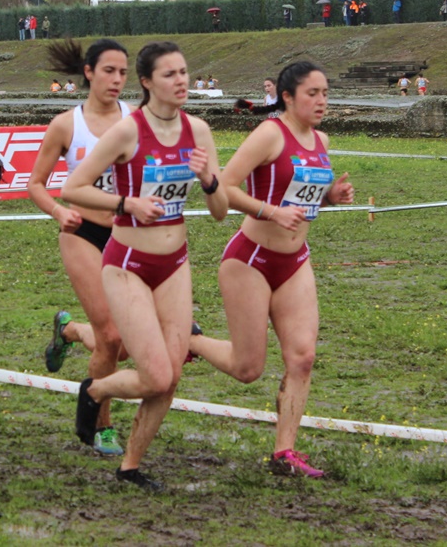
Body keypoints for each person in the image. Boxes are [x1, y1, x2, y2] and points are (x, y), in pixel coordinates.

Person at [64, 41, 228, 492]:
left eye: (184, 72)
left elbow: (221, 210)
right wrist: (126, 202)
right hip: (127, 263)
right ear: (147, 82)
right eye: (170, 74)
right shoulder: (127, 132)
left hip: (175, 263)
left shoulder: (199, 131)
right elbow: (72, 187)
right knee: (154, 373)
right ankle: (94, 391)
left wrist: (210, 181)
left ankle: (130, 465)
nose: (182, 81)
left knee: (169, 377)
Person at [189, 61, 355, 478]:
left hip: (295, 261)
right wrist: (270, 212)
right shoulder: (269, 134)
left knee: (302, 357)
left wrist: (331, 196)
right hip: (251, 259)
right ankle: (189, 341)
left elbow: (304, 198)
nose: (321, 101)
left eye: (325, 92)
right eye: (312, 93)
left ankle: (285, 453)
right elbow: (224, 188)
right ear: (287, 97)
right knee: (248, 369)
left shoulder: (321, 139)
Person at [28, 38, 133, 457]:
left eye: (123, 73)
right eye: (109, 71)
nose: (116, 80)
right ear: (88, 72)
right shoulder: (67, 125)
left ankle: (69, 331)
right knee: (110, 337)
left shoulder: (137, 120)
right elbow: (35, 184)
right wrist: (58, 212)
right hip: (82, 234)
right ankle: (103, 425)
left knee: (126, 343)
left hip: (127, 236)